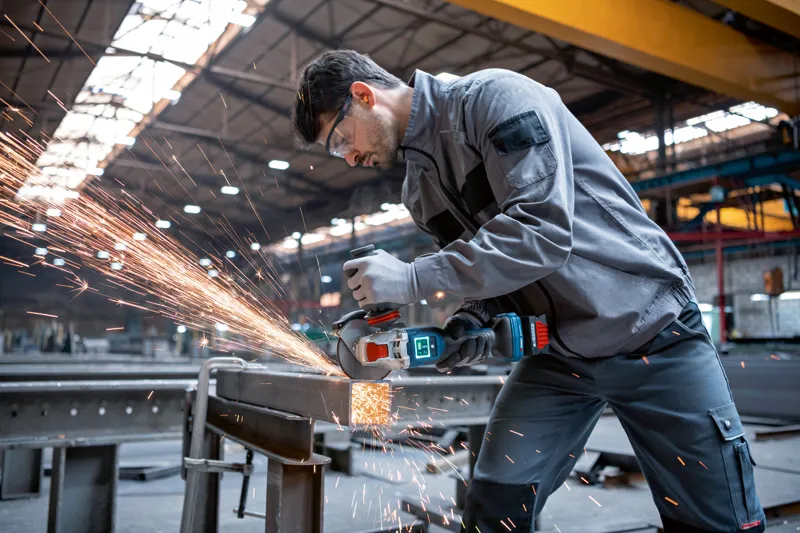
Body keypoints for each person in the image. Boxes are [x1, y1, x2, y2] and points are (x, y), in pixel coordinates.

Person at [292, 49, 765, 533]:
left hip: (651, 331)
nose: (349, 158)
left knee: (717, 521)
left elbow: (542, 232)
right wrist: (471, 322)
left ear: (364, 96)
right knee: (495, 504)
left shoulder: (495, 99)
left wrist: (413, 278)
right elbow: (489, 275)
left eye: (340, 141)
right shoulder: (419, 190)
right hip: (561, 359)